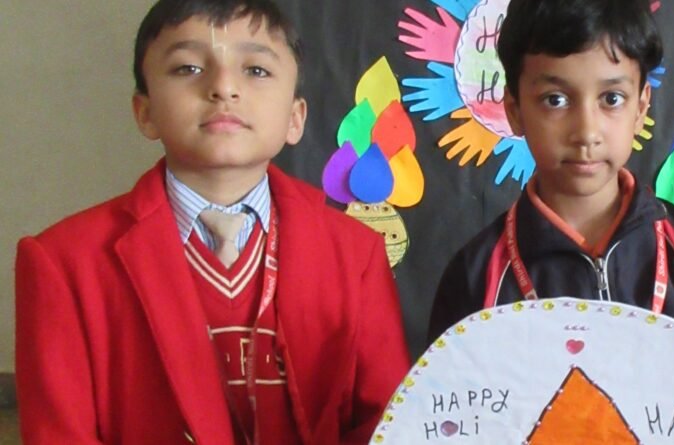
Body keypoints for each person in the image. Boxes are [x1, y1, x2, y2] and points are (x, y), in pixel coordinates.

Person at [14, 1, 410, 443]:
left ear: (295, 118)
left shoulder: (355, 252)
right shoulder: (65, 263)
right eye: (188, 68)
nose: (223, 87)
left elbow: (390, 424)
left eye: (256, 70)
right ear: (145, 112)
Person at [428, 0, 674, 376]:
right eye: (555, 100)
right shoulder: (476, 277)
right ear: (514, 110)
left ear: (641, 107)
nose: (586, 132)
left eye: (612, 99)